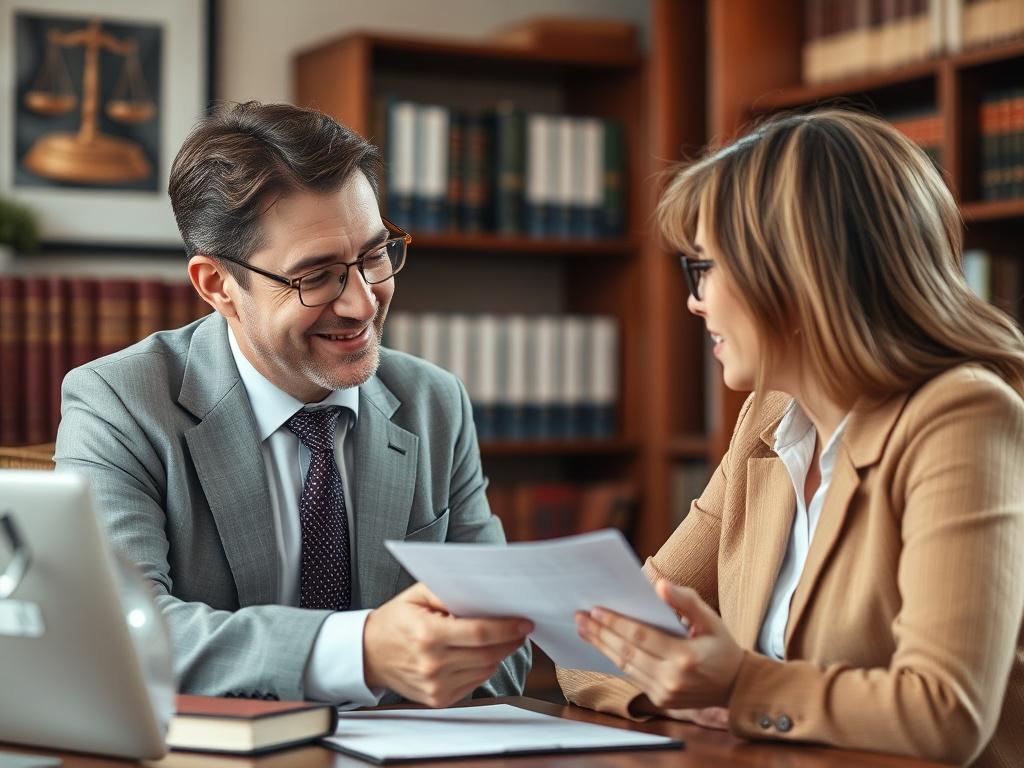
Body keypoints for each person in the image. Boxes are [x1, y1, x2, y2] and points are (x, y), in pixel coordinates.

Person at [559, 109, 1024, 767]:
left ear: (795, 274)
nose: (694, 301)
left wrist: (736, 684)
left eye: (705, 269)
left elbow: (944, 713)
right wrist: (691, 690)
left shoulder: (961, 417)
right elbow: (597, 643)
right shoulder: (768, 418)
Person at [55, 101, 531, 707]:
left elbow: (508, 654)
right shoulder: (121, 404)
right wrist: (359, 651)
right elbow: (119, 633)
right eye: (317, 275)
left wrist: (465, 652)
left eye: (375, 256)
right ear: (217, 285)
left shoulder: (433, 403)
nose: (362, 303)